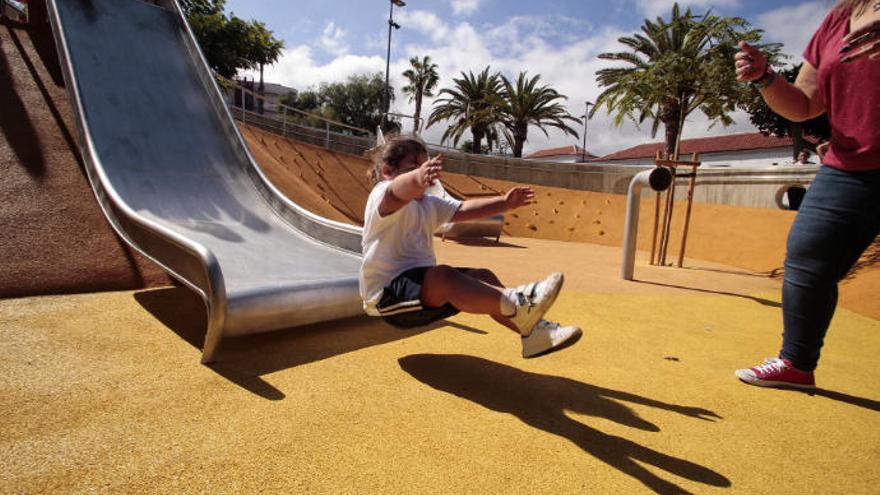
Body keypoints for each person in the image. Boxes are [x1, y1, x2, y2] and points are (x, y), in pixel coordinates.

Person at [733, 0, 880, 388]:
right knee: (808, 253)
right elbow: (804, 104)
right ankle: (797, 363)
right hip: (852, 164)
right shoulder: (839, 16)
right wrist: (765, 77)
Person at [359, 135, 581, 358]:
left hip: (425, 295)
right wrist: (418, 177)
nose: (423, 172)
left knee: (483, 276)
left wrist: (504, 202)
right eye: (413, 166)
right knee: (443, 276)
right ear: (388, 171)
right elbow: (395, 193)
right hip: (388, 297)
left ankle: (535, 334)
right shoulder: (382, 194)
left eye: (426, 166)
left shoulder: (429, 204)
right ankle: (519, 302)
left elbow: (463, 209)